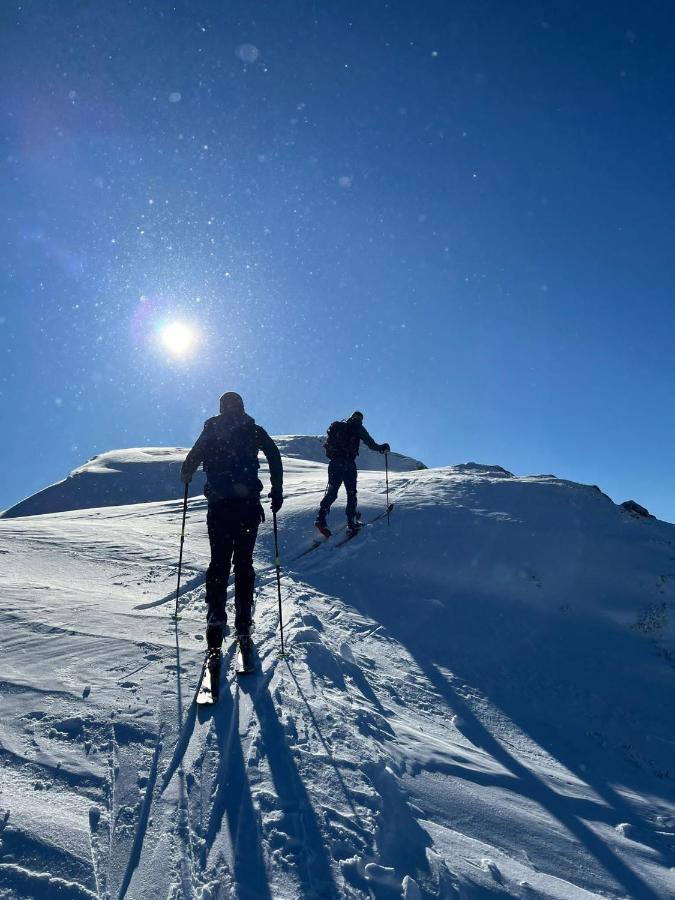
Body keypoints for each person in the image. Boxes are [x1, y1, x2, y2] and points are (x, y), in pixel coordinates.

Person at [181, 392, 283, 669]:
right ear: (242, 407)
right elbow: (274, 456)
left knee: (219, 562)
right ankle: (243, 622)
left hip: (220, 507)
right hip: (247, 506)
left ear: (221, 408)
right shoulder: (253, 429)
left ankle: (215, 618)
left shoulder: (212, 429)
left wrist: (188, 474)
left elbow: (191, 460)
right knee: (244, 563)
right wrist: (277, 489)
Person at [315, 411, 389, 537]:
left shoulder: (339, 426)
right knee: (351, 493)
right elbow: (371, 444)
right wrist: (382, 448)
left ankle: (321, 519)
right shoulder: (357, 427)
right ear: (360, 419)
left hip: (334, 462)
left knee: (332, 492)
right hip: (348, 463)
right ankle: (352, 522)